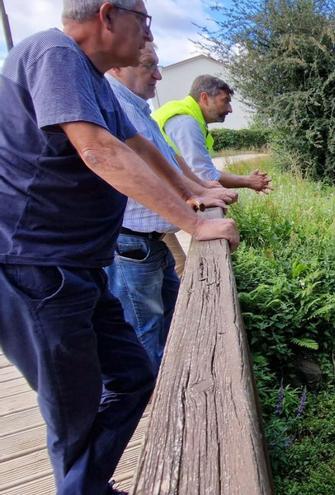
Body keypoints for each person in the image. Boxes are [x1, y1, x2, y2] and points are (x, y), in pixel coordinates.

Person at [0, 1, 239, 494]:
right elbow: (98, 149)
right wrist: (194, 225)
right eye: (144, 21)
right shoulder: (55, 52)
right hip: (35, 266)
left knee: (131, 376)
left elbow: (141, 147)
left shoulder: (94, 80)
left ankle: (86, 486)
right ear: (108, 16)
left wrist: (195, 192)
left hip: (80, 264)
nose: (149, 36)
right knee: (73, 412)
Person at [105, 42, 237, 372]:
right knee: (143, 336)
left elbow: (166, 158)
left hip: (151, 242)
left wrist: (199, 188)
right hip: (131, 243)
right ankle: (150, 407)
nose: (158, 75)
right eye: (149, 66)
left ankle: (173, 380)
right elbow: (133, 172)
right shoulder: (114, 104)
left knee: (176, 319)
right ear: (116, 66)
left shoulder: (137, 107)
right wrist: (196, 223)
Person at [153, 75, 271, 272]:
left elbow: (188, 169)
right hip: (145, 212)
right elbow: (204, 174)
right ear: (205, 97)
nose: (230, 109)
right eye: (225, 101)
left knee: (173, 269)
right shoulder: (186, 122)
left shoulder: (188, 118)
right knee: (181, 268)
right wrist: (247, 181)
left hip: (157, 206)